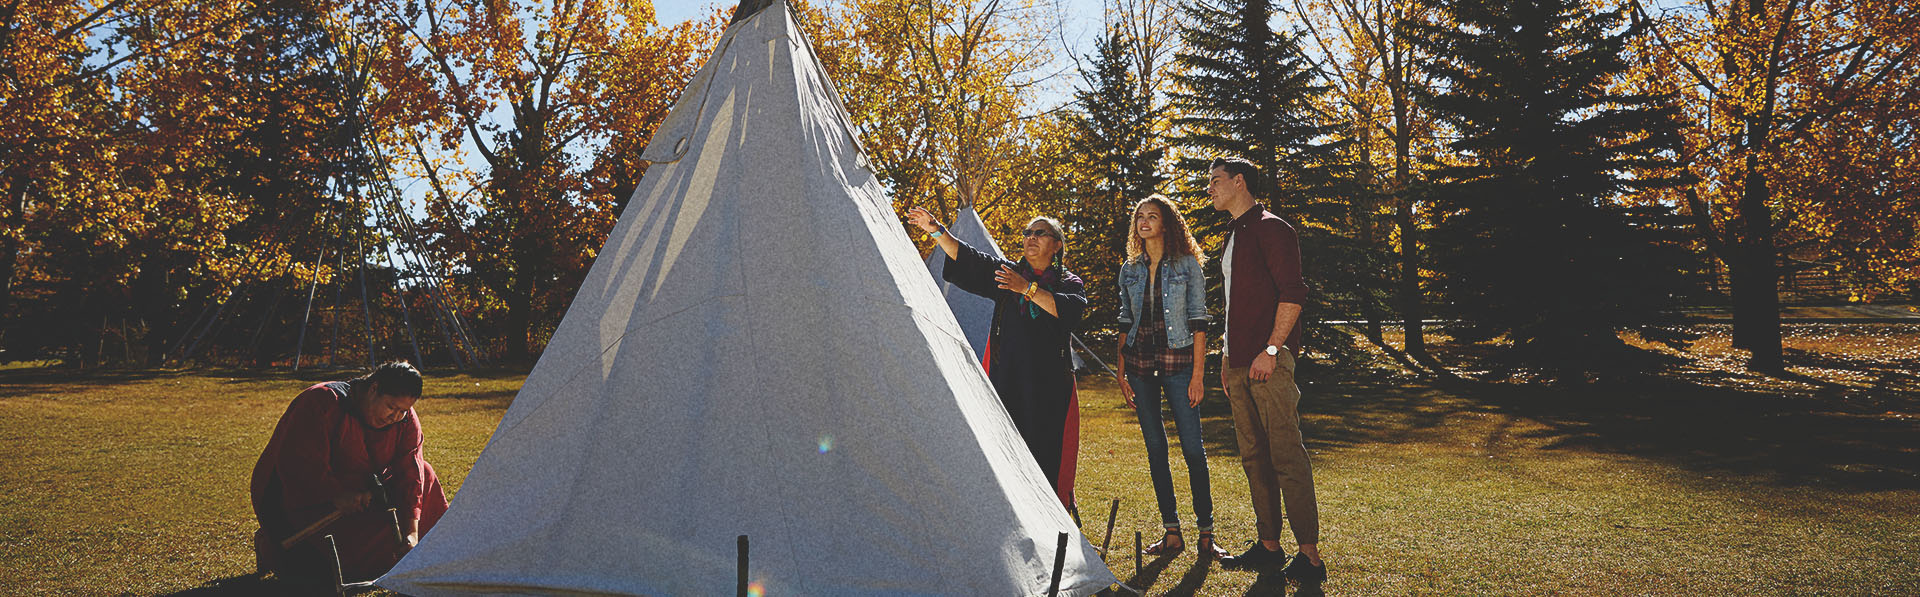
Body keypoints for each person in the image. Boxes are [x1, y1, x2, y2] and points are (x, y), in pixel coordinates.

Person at [907, 206, 1088, 505]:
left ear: (1057, 245)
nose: (1030, 238)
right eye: (1027, 233)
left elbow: (1067, 310)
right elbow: (970, 260)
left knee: (1045, 457)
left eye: (1039, 233)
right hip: (1007, 382)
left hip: (1049, 390)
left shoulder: (1069, 283)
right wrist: (937, 230)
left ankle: (1051, 520)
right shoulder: (1009, 275)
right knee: (1008, 454)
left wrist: (1027, 289)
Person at [1206, 157, 1326, 583]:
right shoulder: (1233, 235)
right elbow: (1233, 306)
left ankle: (1309, 556)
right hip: (1237, 364)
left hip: (1268, 363)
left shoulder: (1274, 227)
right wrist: (1224, 358)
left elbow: (1293, 292)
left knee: (1285, 453)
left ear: (1240, 183)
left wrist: (1272, 349)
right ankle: (1269, 547)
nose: (1210, 189)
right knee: (1254, 457)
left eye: (1216, 181)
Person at [250, 361, 449, 581]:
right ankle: (270, 545)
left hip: (362, 498)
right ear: (374, 388)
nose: (395, 417)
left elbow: (412, 473)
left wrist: (412, 533)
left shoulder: (405, 419)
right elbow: (298, 466)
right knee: (342, 567)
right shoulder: (321, 402)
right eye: (391, 407)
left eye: (403, 411)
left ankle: (415, 551)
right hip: (304, 500)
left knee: (426, 473)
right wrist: (336, 495)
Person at [1114, 195, 1226, 559]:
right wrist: (1120, 371)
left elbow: (1198, 320)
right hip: (1141, 367)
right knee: (1156, 449)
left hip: (1179, 366)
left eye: (1152, 216)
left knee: (1193, 449)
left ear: (1167, 223)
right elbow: (1124, 320)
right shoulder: (1129, 268)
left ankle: (1206, 533)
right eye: (1140, 217)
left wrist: (1198, 375)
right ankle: (1172, 532)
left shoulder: (1187, 265)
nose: (1144, 222)